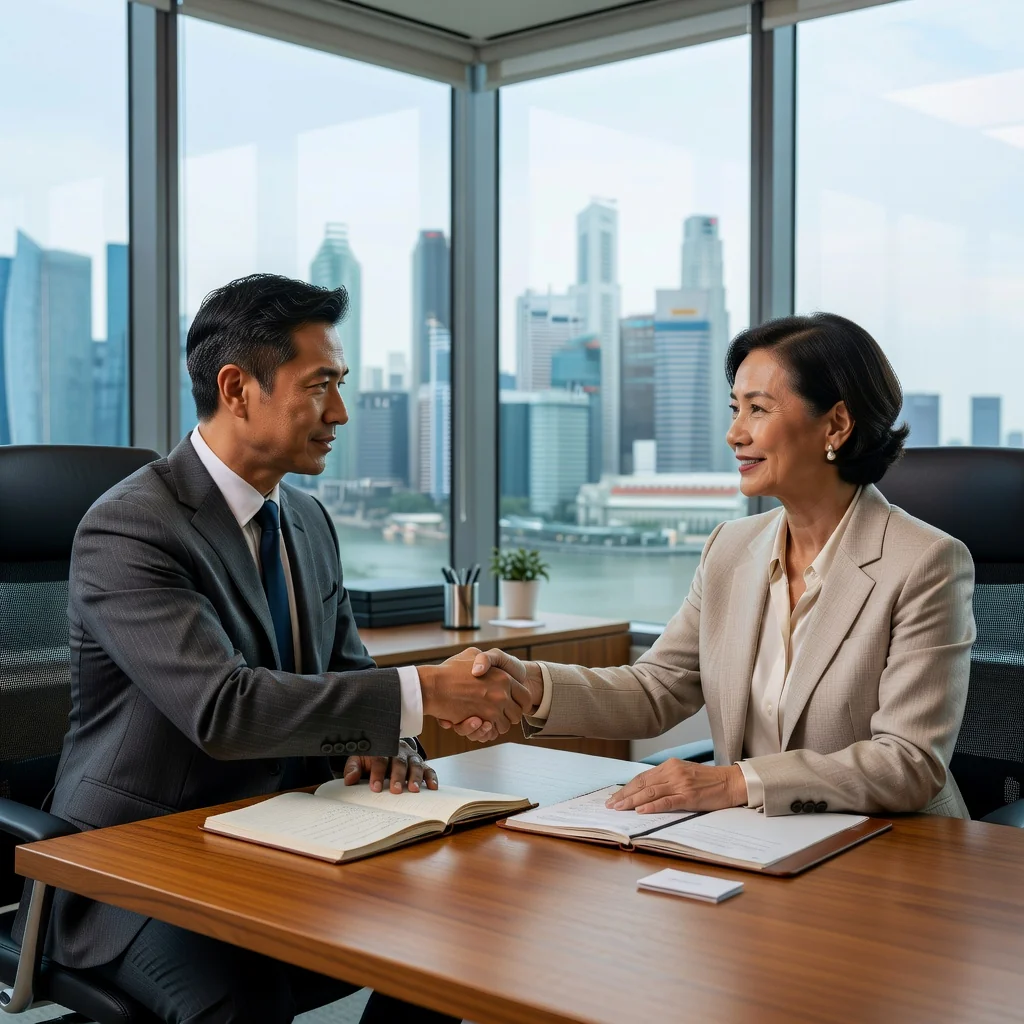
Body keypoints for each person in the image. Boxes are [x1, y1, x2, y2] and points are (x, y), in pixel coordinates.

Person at [18, 274, 529, 1023]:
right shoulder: (131, 526)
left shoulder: (310, 523)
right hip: (136, 865)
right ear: (237, 388)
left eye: (341, 385)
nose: (341, 413)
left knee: (458, 935)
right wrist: (423, 695)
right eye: (319, 386)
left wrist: (386, 744)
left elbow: (345, 674)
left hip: (285, 836)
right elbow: (223, 710)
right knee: (242, 1003)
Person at [459, 313, 975, 819]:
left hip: (896, 854)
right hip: (752, 843)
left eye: (758, 410)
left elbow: (908, 763)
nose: (734, 433)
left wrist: (733, 781)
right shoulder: (729, 547)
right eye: (735, 409)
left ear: (836, 424)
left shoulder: (925, 563)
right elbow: (656, 689)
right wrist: (531, 685)